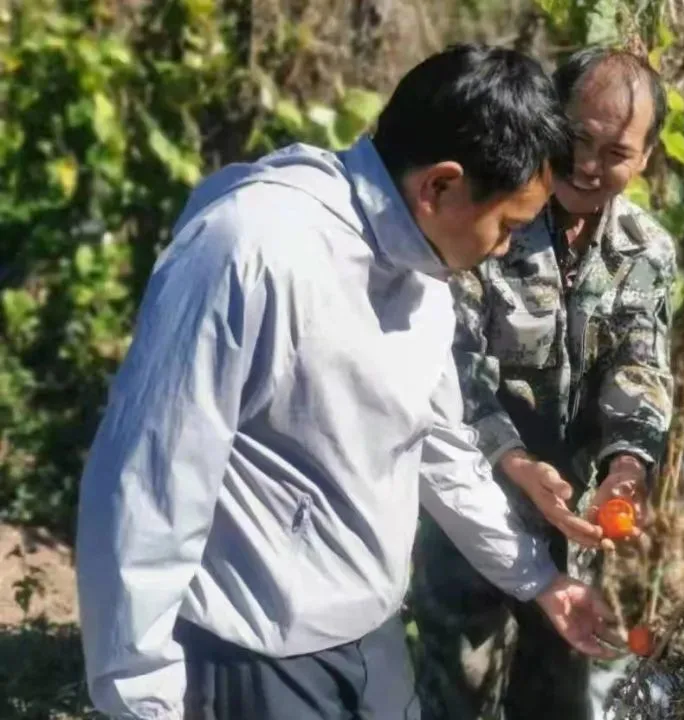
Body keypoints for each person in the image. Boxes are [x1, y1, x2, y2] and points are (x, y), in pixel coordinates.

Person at [74, 43, 620, 720]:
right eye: (506, 225)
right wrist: (141, 698)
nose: (506, 247)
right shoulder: (253, 248)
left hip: (369, 643)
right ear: (441, 186)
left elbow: (438, 446)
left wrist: (538, 579)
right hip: (257, 658)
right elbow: (150, 481)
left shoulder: (422, 274)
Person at [413, 46, 676, 720]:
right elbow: (450, 362)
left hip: (574, 521)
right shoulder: (489, 220)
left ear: (645, 158)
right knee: (460, 687)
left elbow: (641, 362)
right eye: (576, 138)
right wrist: (513, 458)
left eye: (615, 152)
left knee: (555, 694)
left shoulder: (647, 251)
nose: (588, 165)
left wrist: (627, 462)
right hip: (470, 509)